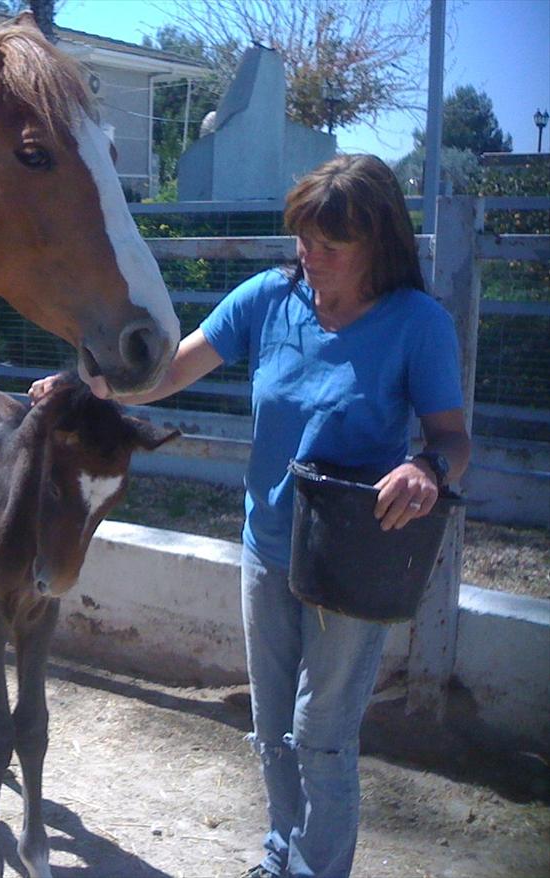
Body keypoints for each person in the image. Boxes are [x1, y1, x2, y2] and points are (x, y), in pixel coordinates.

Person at [30, 154, 471, 878]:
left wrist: (426, 470)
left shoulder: (416, 325)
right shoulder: (270, 298)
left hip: (353, 560)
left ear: (379, 244)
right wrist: (92, 387)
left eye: (333, 246)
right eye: (304, 239)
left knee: (321, 735)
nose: (311, 256)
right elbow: (171, 371)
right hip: (268, 546)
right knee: (273, 731)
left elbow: (453, 439)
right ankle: (279, 854)